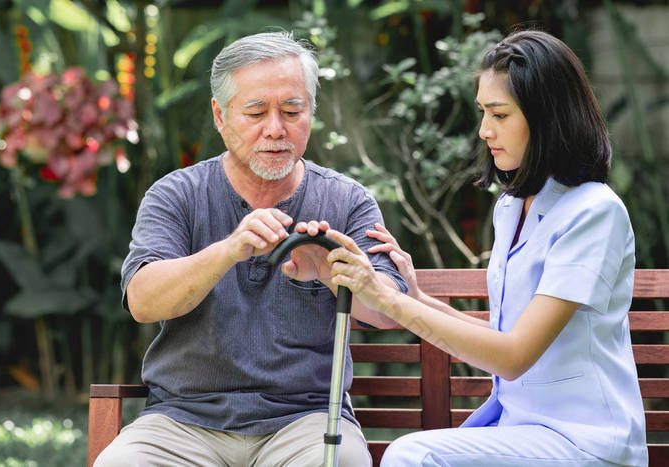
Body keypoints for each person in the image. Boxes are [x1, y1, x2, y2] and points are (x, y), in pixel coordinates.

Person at [317, 30, 648, 466]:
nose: (484, 130)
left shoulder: (594, 214)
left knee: (414, 456)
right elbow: (502, 338)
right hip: (521, 431)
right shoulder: (511, 208)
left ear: (547, 117)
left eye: (500, 114)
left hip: (584, 441)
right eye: (482, 112)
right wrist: (413, 299)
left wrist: (385, 300)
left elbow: (512, 357)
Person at [95, 31, 406, 467]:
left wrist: (332, 273)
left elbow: (392, 311)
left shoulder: (347, 200)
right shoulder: (176, 195)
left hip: (306, 421)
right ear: (220, 116)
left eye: (293, 110)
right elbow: (143, 302)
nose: (276, 129)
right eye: (256, 112)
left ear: (311, 112)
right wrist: (228, 250)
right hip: (183, 420)